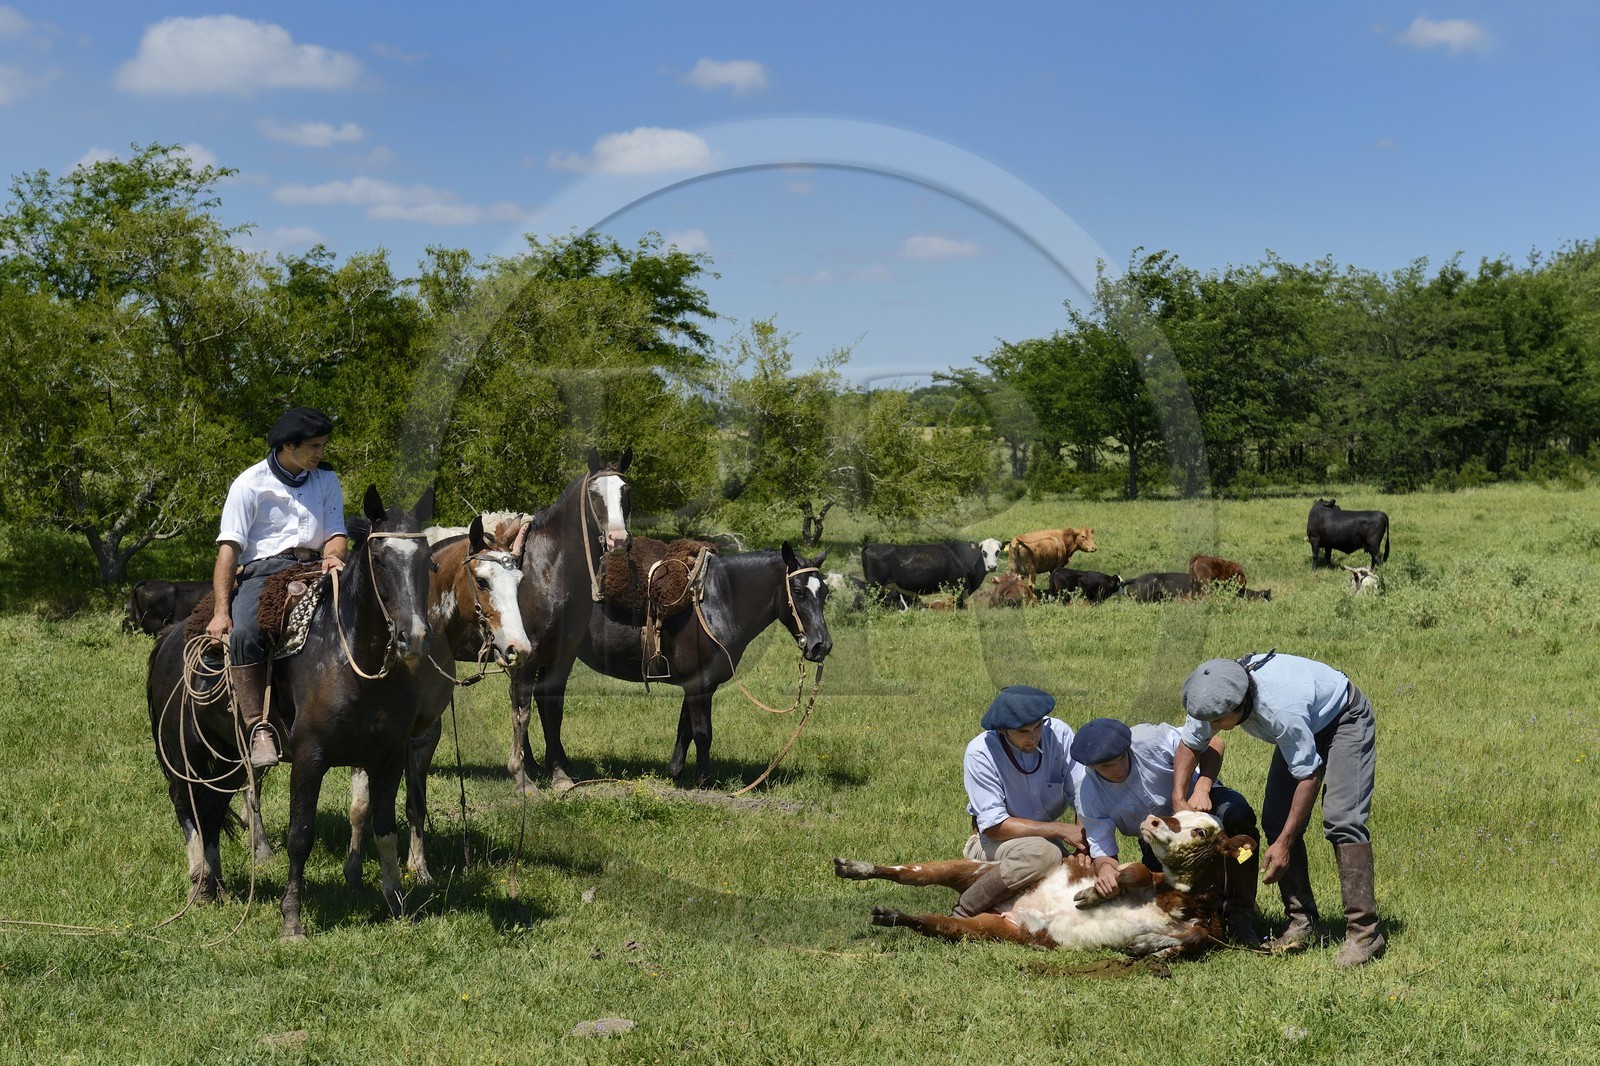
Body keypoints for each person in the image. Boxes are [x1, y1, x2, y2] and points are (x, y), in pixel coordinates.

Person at [1176, 651, 1385, 967]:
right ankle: (1303, 921)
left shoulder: (1280, 710)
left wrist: (1285, 844)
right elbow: (1191, 743)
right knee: (1275, 820)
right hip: (1306, 721)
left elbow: (1309, 775)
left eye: (1219, 721)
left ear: (1242, 703)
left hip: (1344, 719)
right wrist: (1179, 797)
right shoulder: (1212, 695)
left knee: (1343, 820)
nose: (1213, 727)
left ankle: (1364, 934)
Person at [204, 407, 347, 769]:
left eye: (324, 445)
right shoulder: (249, 484)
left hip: (317, 566)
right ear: (287, 445)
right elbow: (229, 550)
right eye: (314, 446)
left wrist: (332, 556)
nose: (321, 453)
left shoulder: (326, 480)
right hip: (263, 571)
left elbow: (335, 534)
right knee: (247, 632)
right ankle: (257, 729)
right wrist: (222, 612)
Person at [1071, 717, 1261, 944]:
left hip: (1200, 811)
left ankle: (1241, 914)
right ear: (1091, 766)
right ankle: (1219, 902)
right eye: (1107, 766)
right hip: (1161, 840)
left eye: (1122, 758)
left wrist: (1202, 785)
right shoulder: (1088, 793)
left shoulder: (1151, 740)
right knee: (1170, 903)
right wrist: (1105, 872)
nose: (1119, 769)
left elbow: (1214, 743)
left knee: (1238, 816)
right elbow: (1103, 851)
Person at [957, 684, 1088, 917]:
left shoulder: (1060, 733)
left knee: (1075, 867)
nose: (1034, 737)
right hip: (991, 841)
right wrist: (1060, 829)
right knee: (1046, 855)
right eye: (1023, 732)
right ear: (1003, 731)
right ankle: (965, 910)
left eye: (1038, 727)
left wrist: (1083, 845)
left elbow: (1083, 794)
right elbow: (995, 827)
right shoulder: (980, 752)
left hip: (1043, 840)